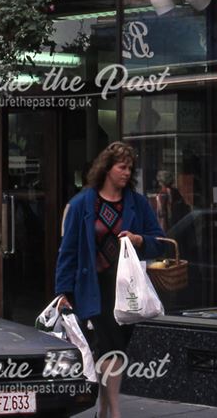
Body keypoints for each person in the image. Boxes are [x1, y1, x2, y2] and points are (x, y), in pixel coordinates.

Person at [55, 142, 164, 418]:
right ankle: (114, 409)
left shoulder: (136, 204)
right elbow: (68, 249)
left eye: (130, 168)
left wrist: (139, 240)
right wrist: (63, 290)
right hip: (93, 286)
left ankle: (103, 407)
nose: (127, 173)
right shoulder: (83, 204)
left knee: (112, 348)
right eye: (121, 167)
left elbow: (159, 241)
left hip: (126, 288)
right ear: (107, 168)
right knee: (110, 345)